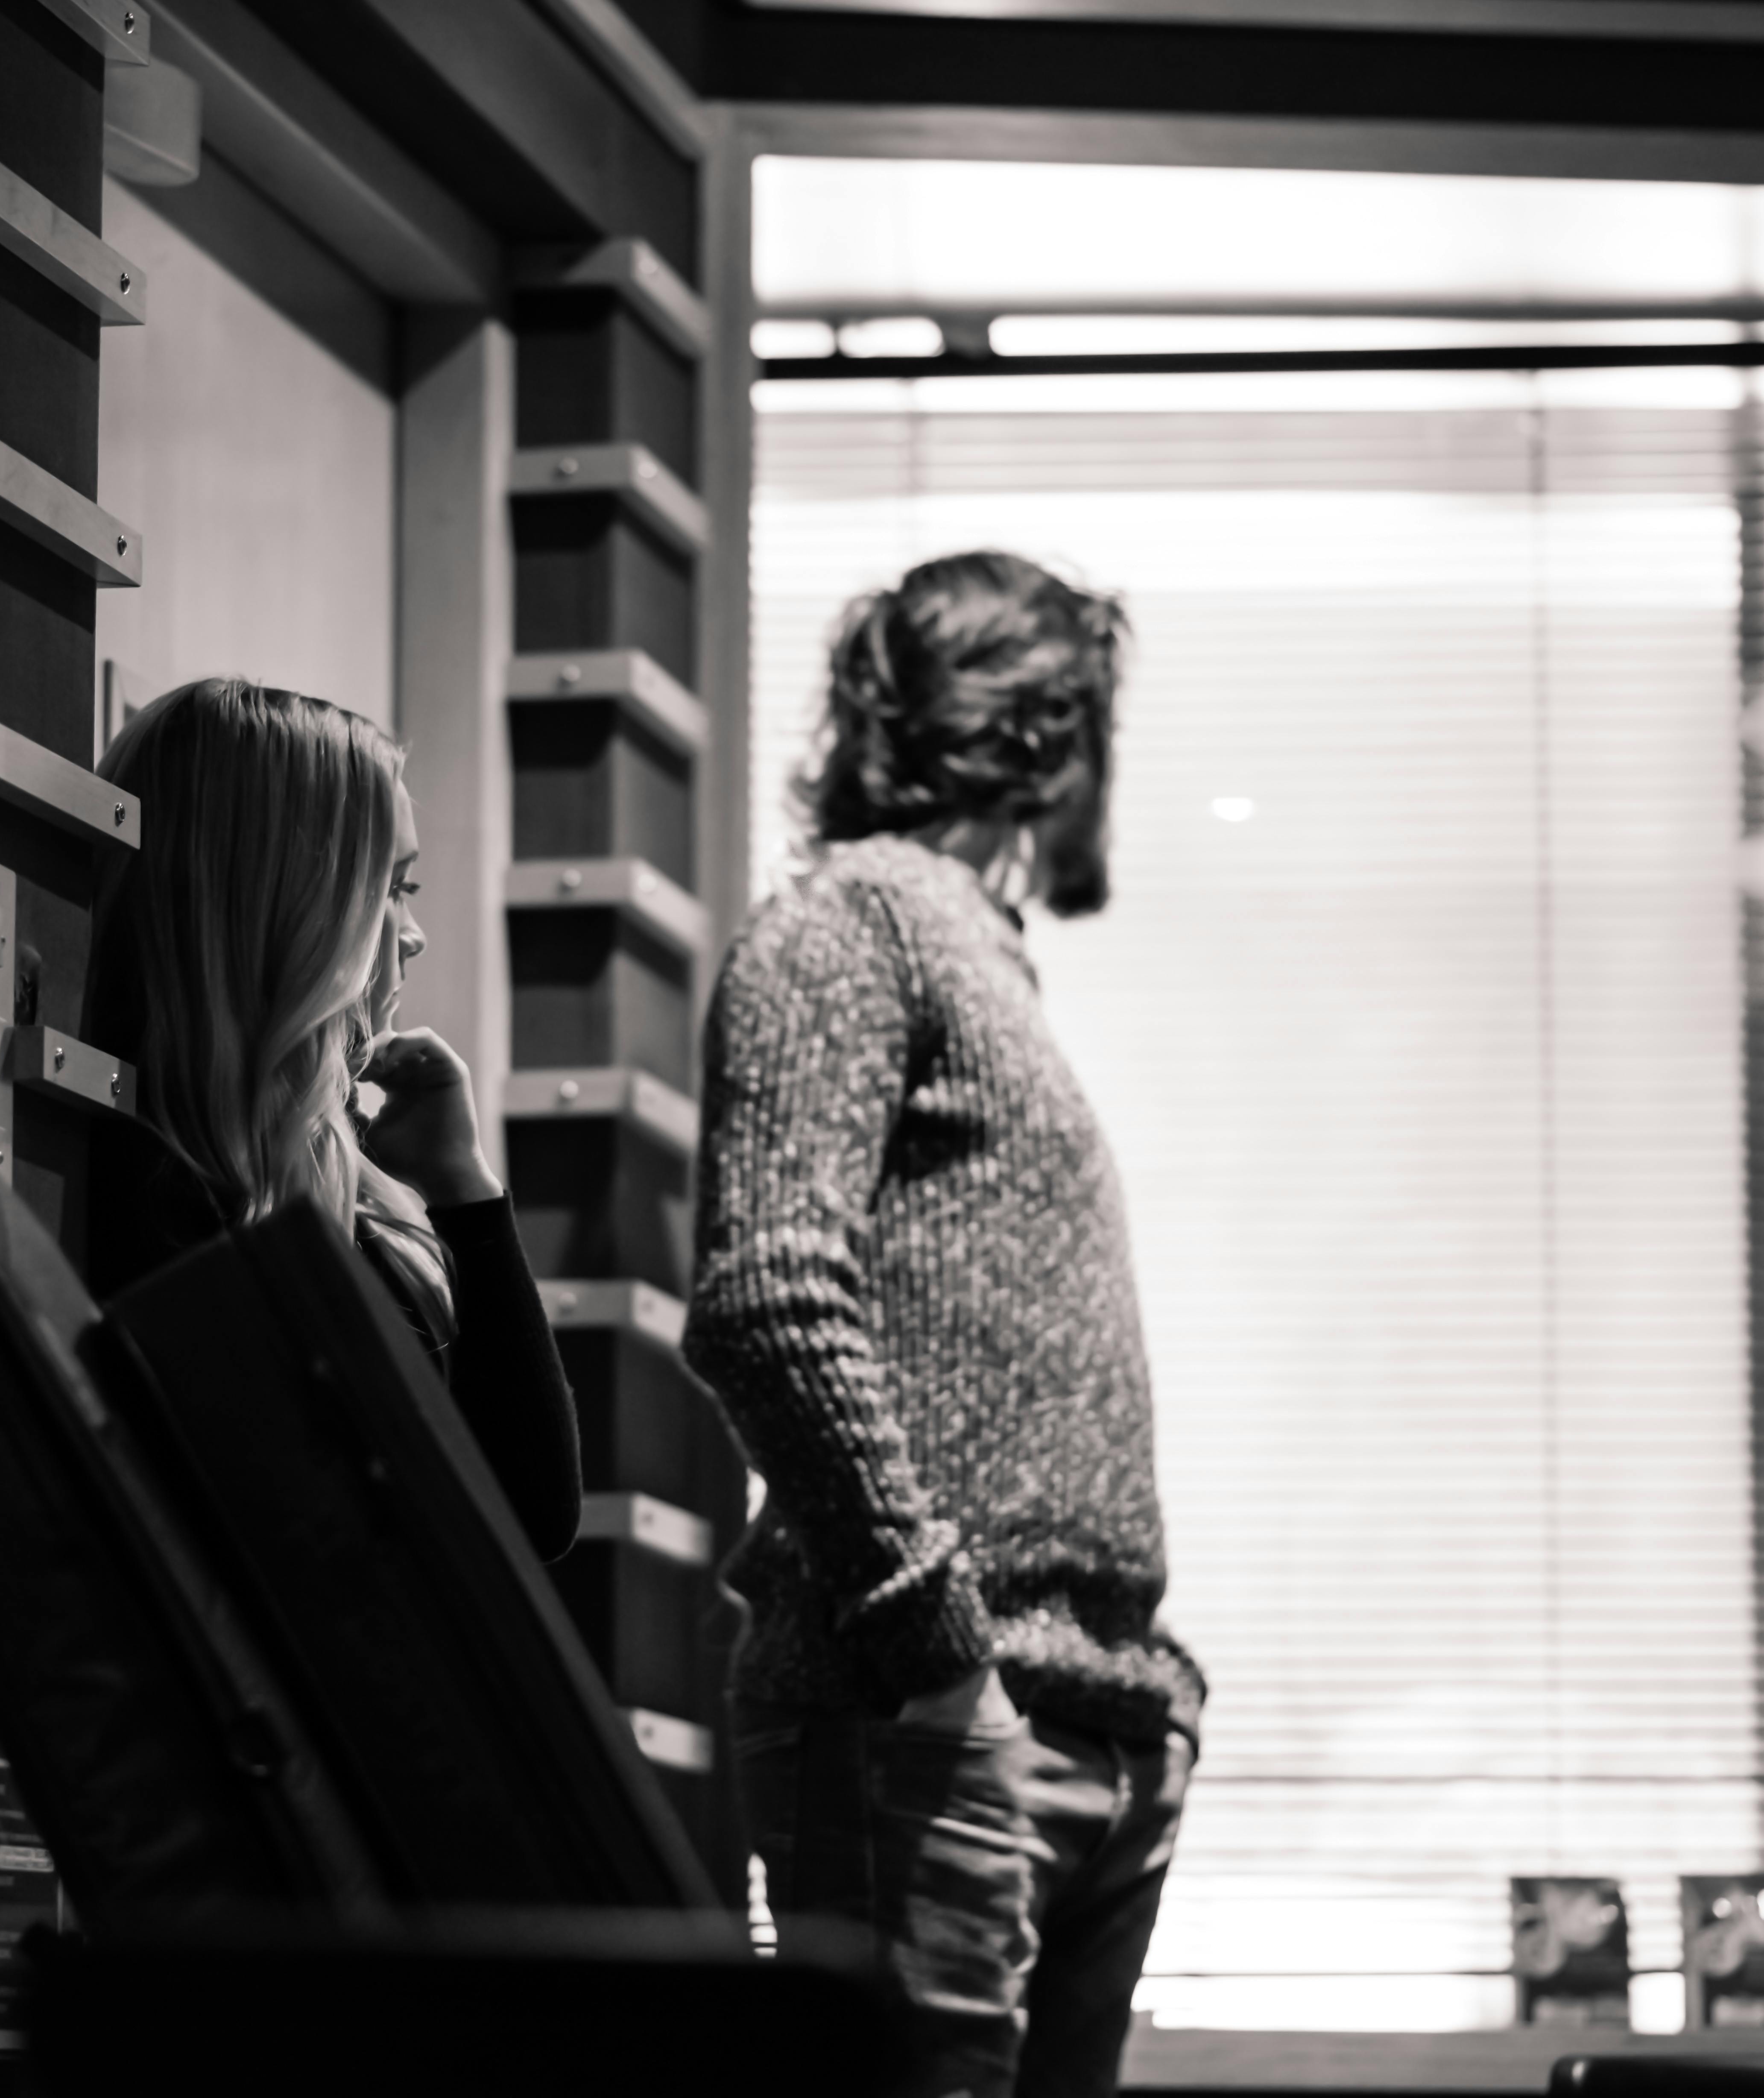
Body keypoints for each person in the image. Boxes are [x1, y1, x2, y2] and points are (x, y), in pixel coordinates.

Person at [685, 552, 1202, 2098]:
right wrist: (938, 1651)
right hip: (936, 1730)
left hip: (1077, 1724)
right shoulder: (851, 925)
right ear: (1044, 735)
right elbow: (769, 1303)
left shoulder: (977, 955)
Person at [79, 675, 579, 1561]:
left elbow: (533, 1511)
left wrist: (462, 1188)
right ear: (289, 906)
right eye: (391, 887)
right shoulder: (152, 1200)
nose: (413, 933)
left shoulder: (321, 1193)